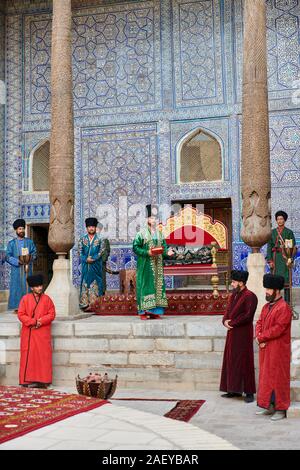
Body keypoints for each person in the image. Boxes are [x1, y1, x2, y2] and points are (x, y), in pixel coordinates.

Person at [255, 274, 292, 421]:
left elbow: (278, 329)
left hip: (278, 350)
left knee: (278, 378)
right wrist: (258, 336)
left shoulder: (284, 308)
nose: (266, 292)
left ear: (277, 290)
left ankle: (281, 409)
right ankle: (269, 406)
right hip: (266, 349)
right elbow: (258, 323)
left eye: (269, 289)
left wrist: (261, 338)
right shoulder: (265, 307)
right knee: (266, 378)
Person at [220, 270, 258, 403]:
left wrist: (232, 322)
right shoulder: (233, 295)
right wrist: (225, 321)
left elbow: (247, 316)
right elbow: (228, 311)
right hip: (232, 333)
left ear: (241, 283)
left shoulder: (250, 296)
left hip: (243, 334)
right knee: (231, 360)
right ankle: (232, 389)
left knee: (244, 361)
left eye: (234, 282)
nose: (232, 284)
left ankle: (249, 392)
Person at [133, 205, 174, 320]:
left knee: (158, 286)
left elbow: (164, 247)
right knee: (146, 286)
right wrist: (147, 252)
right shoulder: (141, 233)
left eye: (156, 218)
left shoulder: (160, 234)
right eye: (151, 218)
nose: (154, 220)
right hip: (146, 265)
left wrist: (168, 252)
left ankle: (154, 311)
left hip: (158, 265)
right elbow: (135, 248)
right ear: (147, 219)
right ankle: (143, 312)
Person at [18, 274, 56, 389]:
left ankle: (44, 380)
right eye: (37, 286)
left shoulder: (47, 299)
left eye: (41, 285)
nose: (40, 288)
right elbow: (21, 314)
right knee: (28, 356)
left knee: (44, 357)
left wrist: (41, 321)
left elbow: (52, 314)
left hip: (42, 333)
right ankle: (26, 381)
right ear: (31, 288)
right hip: (29, 333)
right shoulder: (25, 299)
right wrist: (33, 322)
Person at [5, 219, 37, 313]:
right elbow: (7, 256)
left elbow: (34, 253)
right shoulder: (11, 243)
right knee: (17, 288)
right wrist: (17, 261)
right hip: (16, 270)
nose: (21, 230)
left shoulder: (30, 242)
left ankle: (29, 308)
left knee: (28, 287)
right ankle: (17, 308)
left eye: (23, 228)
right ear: (16, 230)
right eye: (19, 229)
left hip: (27, 269)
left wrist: (29, 258)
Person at [267, 211, 296, 303]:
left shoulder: (289, 232)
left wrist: (290, 259)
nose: (279, 221)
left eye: (281, 219)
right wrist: (270, 260)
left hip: (285, 260)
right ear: (276, 220)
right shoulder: (272, 232)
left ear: (284, 220)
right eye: (278, 219)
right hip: (275, 259)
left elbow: (292, 247)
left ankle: (287, 303)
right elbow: (269, 247)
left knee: (286, 280)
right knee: (275, 281)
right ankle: (275, 301)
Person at [78, 217, 105, 311]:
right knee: (85, 282)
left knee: (97, 282)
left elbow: (101, 251)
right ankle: (84, 304)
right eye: (89, 227)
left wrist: (93, 258)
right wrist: (86, 259)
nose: (91, 228)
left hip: (96, 265)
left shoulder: (100, 239)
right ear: (87, 228)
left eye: (93, 227)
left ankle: (96, 304)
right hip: (86, 266)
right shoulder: (82, 240)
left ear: (95, 228)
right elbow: (80, 252)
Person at [97, 222, 110, 294]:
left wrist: (102, 260)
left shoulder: (104, 240)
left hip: (101, 263)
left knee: (102, 278)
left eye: (98, 229)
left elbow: (107, 250)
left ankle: (102, 294)